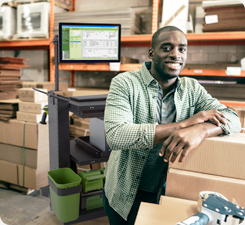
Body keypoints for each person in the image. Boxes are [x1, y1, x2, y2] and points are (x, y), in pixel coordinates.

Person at [102, 25, 241, 225]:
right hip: (125, 194)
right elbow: (116, 135)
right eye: (166, 48)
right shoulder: (125, 83)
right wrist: (184, 124)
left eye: (181, 49)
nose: (175, 54)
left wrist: (199, 130)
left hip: (167, 190)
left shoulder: (191, 88)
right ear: (151, 52)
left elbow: (232, 118)